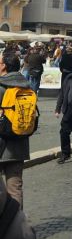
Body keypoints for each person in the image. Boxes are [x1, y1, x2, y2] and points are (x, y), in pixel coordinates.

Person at [0, 49, 33, 206]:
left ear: (3, 66)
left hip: (2, 145)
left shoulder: (1, 87)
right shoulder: (26, 87)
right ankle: (17, 220)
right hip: (20, 145)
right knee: (15, 189)